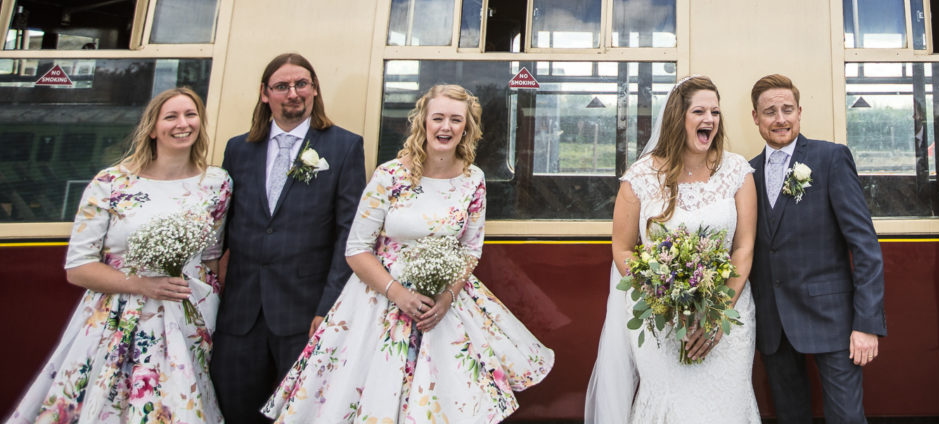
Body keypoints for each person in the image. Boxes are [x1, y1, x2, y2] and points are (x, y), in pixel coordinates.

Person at [262, 84, 553, 422]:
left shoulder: (474, 179)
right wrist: (398, 294)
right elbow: (356, 250)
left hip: (445, 310)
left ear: (467, 128)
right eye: (438, 118)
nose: (446, 127)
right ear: (423, 123)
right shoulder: (390, 176)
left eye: (456, 120)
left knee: (444, 403)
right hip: (380, 304)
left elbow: (471, 250)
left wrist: (445, 299)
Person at [7, 87, 232, 424]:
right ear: (152, 128)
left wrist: (208, 310)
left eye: (190, 114)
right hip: (114, 320)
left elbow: (212, 258)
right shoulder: (111, 183)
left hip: (187, 321)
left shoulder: (216, 182)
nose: (182, 124)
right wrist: (142, 285)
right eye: (170, 116)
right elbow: (78, 268)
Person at [585, 75, 760, 423]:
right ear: (677, 117)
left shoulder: (737, 171)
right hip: (659, 318)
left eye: (715, 112)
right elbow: (622, 248)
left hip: (726, 316)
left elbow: (743, 247)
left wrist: (715, 312)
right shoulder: (639, 178)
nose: (709, 119)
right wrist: (661, 298)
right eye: (699, 111)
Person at [211, 52, 366, 424]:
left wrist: (327, 308)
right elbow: (224, 227)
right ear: (265, 94)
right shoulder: (238, 149)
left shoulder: (344, 147)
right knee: (236, 410)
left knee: (300, 415)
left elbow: (350, 233)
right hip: (240, 313)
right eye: (282, 86)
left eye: (301, 84)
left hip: (304, 313)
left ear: (314, 90)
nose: (292, 93)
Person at [748, 73, 885, 424]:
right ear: (755, 118)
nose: (780, 119)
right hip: (773, 326)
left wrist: (866, 323)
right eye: (770, 112)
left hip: (833, 321)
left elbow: (865, 245)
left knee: (846, 418)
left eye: (787, 109)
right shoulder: (746, 173)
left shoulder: (830, 158)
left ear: (799, 112)